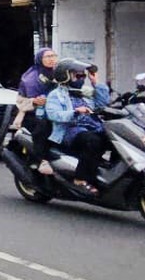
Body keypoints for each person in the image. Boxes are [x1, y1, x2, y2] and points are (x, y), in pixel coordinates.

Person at [45, 61, 111, 194]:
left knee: (113, 137)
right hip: (70, 130)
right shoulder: (56, 95)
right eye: (78, 76)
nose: (81, 79)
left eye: (83, 76)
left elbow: (103, 104)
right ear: (65, 76)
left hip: (93, 126)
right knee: (93, 141)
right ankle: (80, 179)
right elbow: (53, 114)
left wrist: (96, 83)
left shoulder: (83, 92)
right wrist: (75, 112)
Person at [17, 48, 59, 175]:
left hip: (56, 111)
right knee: (43, 126)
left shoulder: (59, 75)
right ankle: (41, 160)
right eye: (47, 56)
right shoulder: (30, 79)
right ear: (40, 59)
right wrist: (34, 101)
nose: (52, 59)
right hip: (33, 114)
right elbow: (20, 102)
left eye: (53, 56)